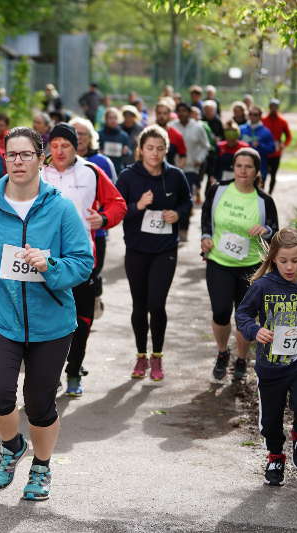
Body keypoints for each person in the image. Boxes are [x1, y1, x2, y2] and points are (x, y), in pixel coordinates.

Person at [0, 126, 92, 501]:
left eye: (26, 155)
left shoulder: (60, 206)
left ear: (41, 159)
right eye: (11, 155)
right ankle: (12, 445)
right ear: (4, 159)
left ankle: (42, 467)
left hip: (51, 322)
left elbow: (83, 262)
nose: (18, 162)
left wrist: (50, 268)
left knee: (39, 403)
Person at [236, 228, 297, 486]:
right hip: (271, 366)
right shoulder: (263, 286)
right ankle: (275, 455)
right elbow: (243, 314)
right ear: (273, 259)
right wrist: (255, 330)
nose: (289, 267)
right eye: (283, 261)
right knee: (270, 420)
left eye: (295, 260)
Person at [42, 123, 127, 397]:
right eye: (54, 146)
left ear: (76, 146)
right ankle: (49, 374)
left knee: (81, 319)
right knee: (47, 319)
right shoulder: (40, 172)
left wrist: (103, 219)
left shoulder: (90, 171)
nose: (59, 151)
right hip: (45, 258)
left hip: (81, 257)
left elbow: (118, 203)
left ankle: (75, 370)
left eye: (64, 145)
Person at [115, 125, 192, 381]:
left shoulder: (176, 176)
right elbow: (119, 211)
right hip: (136, 249)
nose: (155, 153)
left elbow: (187, 202)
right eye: (150, 148)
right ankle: (141, 356)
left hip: (164, 249)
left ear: (166, 150)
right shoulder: (128, 177)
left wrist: (178, 214)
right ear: (141, 149)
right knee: (139, 304)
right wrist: (138, 205)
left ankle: (157, 356)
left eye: (160, 148)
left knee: (156, 304)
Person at [201, 148, 279, 382]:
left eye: (248, 167)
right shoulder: (218, 190)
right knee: (221, 311)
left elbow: (274, 231)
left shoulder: (264, 201)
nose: (243, 171)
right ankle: (223, 352)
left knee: (245, 317)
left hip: (251, 267)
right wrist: (205, 236)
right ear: (233, 168)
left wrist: (265, 231)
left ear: (256, 171)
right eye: (239, 166)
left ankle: (242, 360)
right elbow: (206, 216)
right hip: (219, 261)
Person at [71, 117, 117, 319]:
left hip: (95, 232)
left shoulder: (101, 163)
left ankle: (92, 298)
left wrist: (103, 217)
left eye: (83, 134)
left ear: (91, 138)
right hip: (66, 233)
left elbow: (114, 197)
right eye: (75, 133)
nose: (78, 138)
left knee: (92, 272)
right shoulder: (54, 162)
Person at [168, 102, 210, 238]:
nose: (181, 113)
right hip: (173, 168)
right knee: (173, 199)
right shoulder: (172, 127)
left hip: (191, 168)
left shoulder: (198, 127)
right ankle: (174, 228)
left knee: (187, 198)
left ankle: (183, 229)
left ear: (189, 112)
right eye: (179, 111)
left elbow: (205, 146)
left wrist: (200, 158)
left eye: (184, 111)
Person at [261, 98, 293, 194]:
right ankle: (261, 192)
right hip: (265, 151)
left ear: (278, 108)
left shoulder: (282, 121)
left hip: (276, 152)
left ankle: (270, 193)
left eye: (275, 107)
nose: (273, 109)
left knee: (273, 174)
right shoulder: (263, 120)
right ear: (269, 107)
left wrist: (284, 144)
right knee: (263, 174)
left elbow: (289, 136)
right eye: (272, 107)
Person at [240, 106, 276, 185]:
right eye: (250, 114)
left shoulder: (266, 132)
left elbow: (272, 149)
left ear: (260, 116)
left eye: (255, 114)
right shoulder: (241, 129)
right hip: (242, 170)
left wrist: (260, 145)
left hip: (259, 169)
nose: (252, 116)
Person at [98, 107, 131, 173]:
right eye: (110, 118)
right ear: (106, 119)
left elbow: (129, 153)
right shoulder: (99, 134)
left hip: (118, 169)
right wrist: (98, 152)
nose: (113, 120)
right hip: (102, 169)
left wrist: (126, 151)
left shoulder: (124, 135)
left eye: (115, 118)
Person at [153, 100, 186, 167]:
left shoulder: (177, 135)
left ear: (169, 115)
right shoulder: (147, 132)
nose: (162, 116)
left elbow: (183, 156)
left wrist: (177, 171)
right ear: (156, 114)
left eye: (165, 113)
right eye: (159, 113)